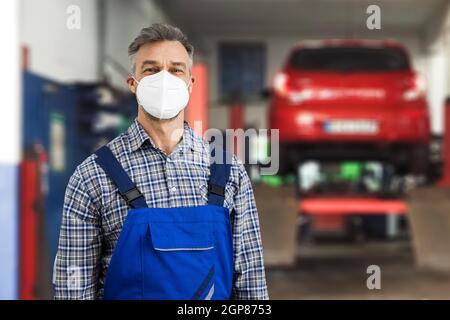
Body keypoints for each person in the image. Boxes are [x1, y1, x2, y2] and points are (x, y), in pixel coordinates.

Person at [53, 23, 268, 300]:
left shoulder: (230, 173)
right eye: (151, 69)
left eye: (176, 69)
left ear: (190, 84)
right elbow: (73, 285)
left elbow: (251, 281)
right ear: (133, 83)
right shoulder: (91, 177)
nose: (164, 79)